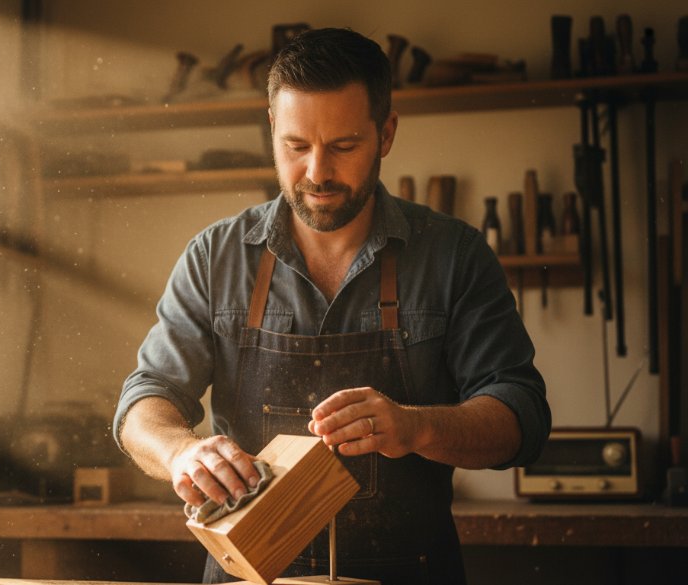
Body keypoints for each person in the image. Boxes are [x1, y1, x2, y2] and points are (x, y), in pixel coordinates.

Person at [113, 27, 550, 585]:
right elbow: (144, 399)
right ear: (272, 129)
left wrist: (416, 427)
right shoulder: (215, 257)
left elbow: (522, 415)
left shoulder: (454, 255)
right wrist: (180, 453)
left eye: (343, 146)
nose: (317, 172)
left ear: (386, 133)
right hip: (248, 576)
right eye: (297, 147)